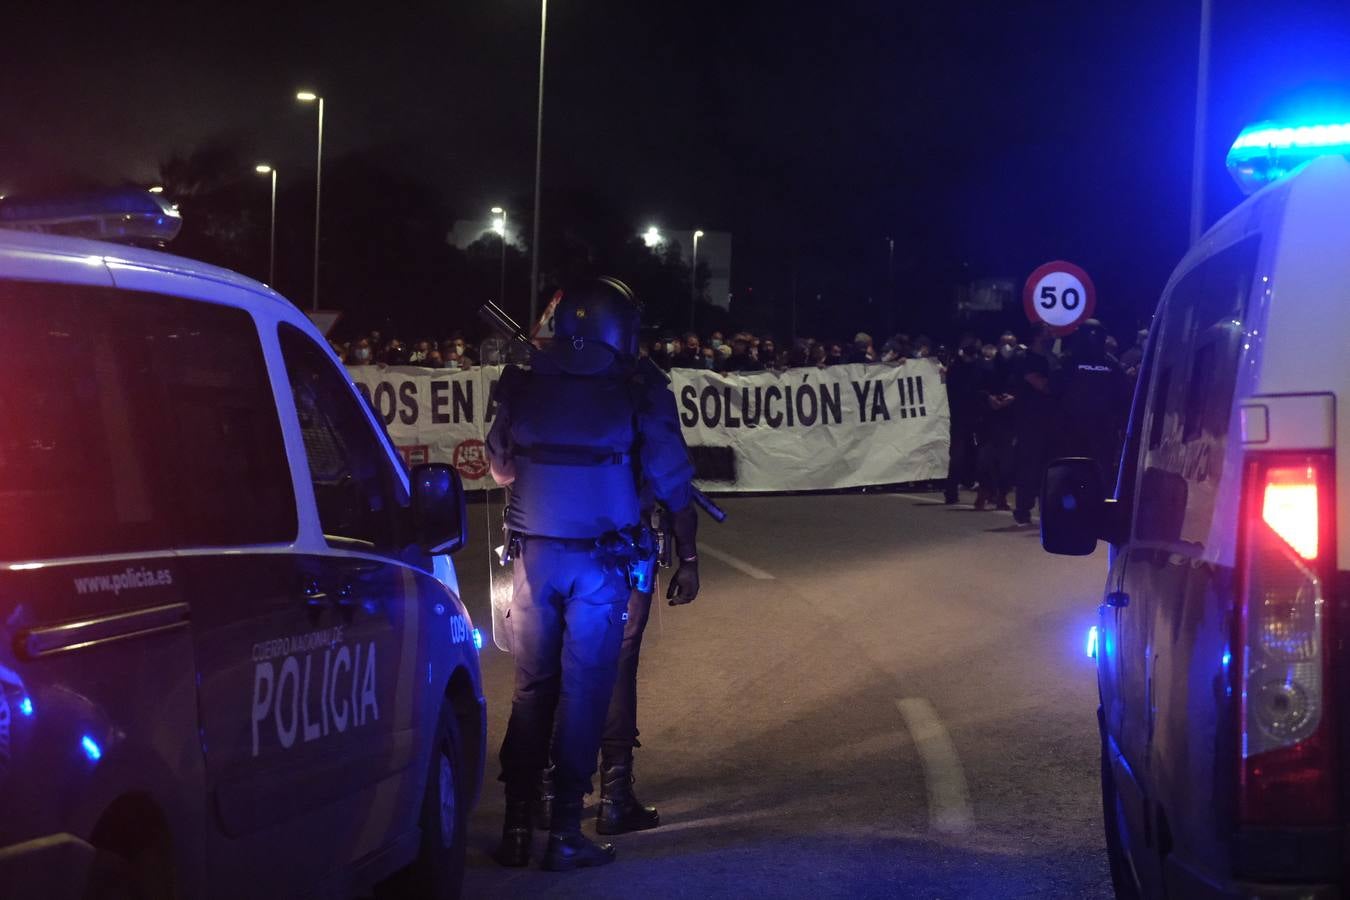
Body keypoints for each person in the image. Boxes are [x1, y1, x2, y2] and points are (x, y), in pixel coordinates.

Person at [487, 276, 700, 872]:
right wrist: (689, 556)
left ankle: (515, 826)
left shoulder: (523, 381)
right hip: (605, 565)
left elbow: (501, 467)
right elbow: (672, 484)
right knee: (586, 692)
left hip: (533, 559)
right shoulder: (639, 386)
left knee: (532, 690)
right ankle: (563, 834)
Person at [1011, 323, 1059, 525]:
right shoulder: (1026, 359)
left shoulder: (1053, 359)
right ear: (1038, 337)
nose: (1052, 335)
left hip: (1051, 421)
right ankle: (1023, 507)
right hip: (1030, 421)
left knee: (1049, 467)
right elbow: (1043, 386)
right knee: (1028, 466)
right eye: (1047, 332)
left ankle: (1046, 507)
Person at [943, 337, 983, 504]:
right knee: (960, 454)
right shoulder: (961, 368)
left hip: (966, 415)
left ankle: (957, 487)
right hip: (963, 416)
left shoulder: (958, 367)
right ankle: (953, 489)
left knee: (964, 454)